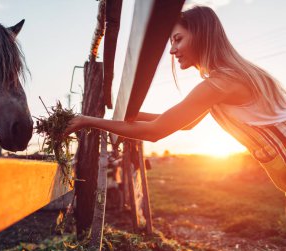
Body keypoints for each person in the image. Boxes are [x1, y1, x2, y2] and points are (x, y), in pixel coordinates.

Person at [64, 6, 286, 193]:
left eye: (178, 39)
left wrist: (88, 121)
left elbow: (155, 131)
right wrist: (131, 115)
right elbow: (187, 124)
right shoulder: (229, 77)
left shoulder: (220, 83)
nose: (172, 50)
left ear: (201, 35)